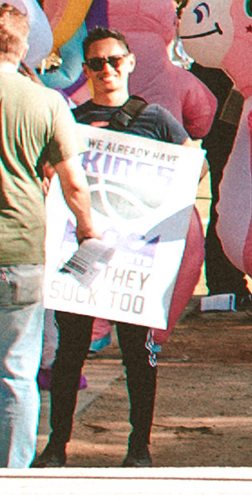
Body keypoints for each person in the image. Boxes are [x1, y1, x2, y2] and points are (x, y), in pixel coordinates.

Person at [0, 2, 98, 473]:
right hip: (21, 254)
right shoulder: (47, 103)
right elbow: (74, 183)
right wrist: (88, 229)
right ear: (25, 47)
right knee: (17, 374)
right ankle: (9, 473)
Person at [44, 25, 183, 466]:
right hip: (80, 252)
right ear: (86, 69)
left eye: (114, 60)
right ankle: (56, 445)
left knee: (138, 355)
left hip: (136, 260)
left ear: (130, 62)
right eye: (96, 63)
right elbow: (51, 173)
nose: (107, 69)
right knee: (70, 354)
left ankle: (139, 446)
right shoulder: (72, 121)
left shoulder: (157, 119)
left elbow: (190, 171)